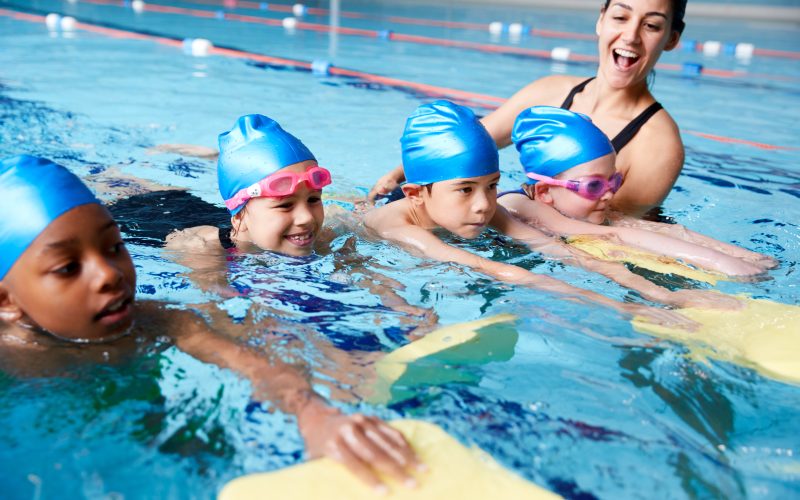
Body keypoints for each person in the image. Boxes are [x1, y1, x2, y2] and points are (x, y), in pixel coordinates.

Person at [0, 155, 421, 492]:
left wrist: (315, 413)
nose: (109, 274)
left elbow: (255, 362)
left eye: (114, 247)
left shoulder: (158, 320)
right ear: (7, 301)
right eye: (69, 267)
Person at [364, 100, 714, 322]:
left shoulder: (484, 210)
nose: (484, 203)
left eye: (492, 184)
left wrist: (664, 295)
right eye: (466, 190)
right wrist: (625, 309)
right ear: (415, 194)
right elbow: (496, 270)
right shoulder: (399, 228)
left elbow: (559, 251)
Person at [369, 0, 687, 216]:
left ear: (671, 39)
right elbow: (472, 140)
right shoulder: (551, 90)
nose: (630, 36)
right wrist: (397, 175)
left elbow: (603, 233)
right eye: (620, 17)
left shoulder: (658, 143)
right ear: (601, 20)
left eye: (652, 26)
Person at [497, 106, 777, 276]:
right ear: (545, 191)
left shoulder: (583, 208)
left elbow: (642, 228)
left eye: (614, 181)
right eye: (594, 186)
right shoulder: (519, 207)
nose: (608, 194)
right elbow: (613, 234)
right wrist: (717, 262)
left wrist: (744, 256)